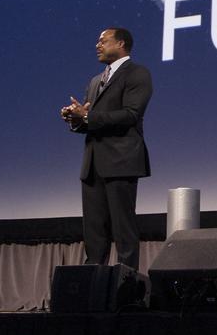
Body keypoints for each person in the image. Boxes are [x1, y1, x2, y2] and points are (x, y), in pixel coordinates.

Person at [60, 27, 152, 270]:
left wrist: (88, 116)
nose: (97, 45)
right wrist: (75, 119)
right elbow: (90, 122)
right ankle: (93, 285)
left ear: (121, 43)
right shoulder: (95, 80)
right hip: (92, 165)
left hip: (121, 161)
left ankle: (126, 287)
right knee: (94, 232)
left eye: (103, 40)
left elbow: (131, 115)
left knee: (123, 229)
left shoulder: (138, 73)